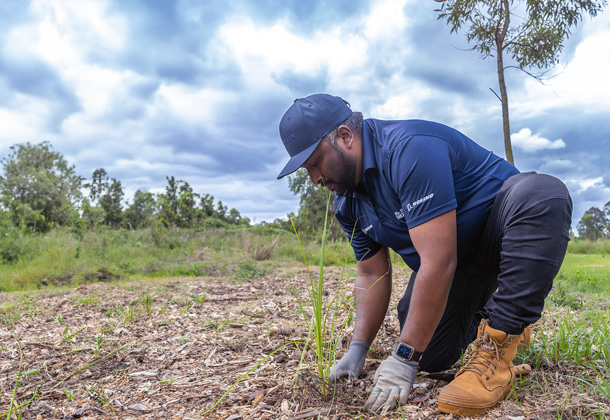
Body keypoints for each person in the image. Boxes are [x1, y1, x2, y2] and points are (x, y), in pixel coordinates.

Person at [276, 94, 572, 416]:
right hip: (458, 266)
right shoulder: (348, 205)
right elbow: (371, 273)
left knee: (542, 193)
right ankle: (491, 314)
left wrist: (403, 357)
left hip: (500, 238)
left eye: (315, 164)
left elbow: (437, 261)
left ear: (345, 136)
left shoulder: (408, 149)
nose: (315, 179)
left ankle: (500, 343)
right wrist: (358, 349)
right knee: (428, 353)